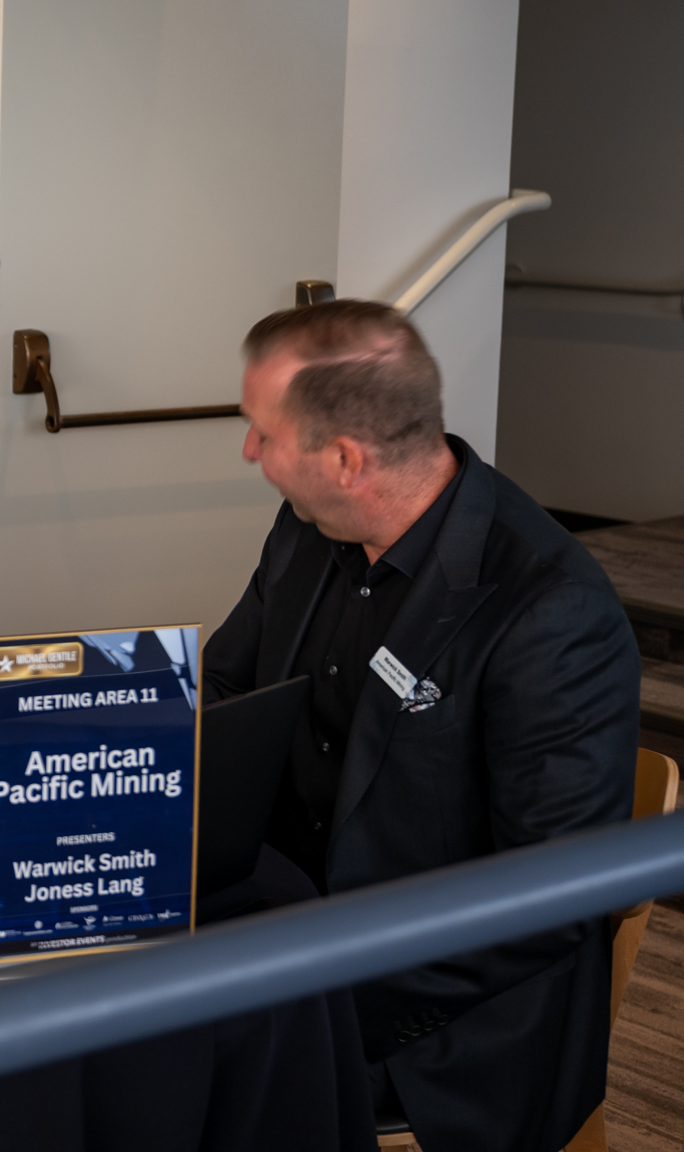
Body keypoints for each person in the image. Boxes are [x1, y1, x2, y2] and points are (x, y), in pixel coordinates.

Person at [201, 300, 639, 1152]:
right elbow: (223, 686)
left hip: (439, 1028)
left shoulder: (551, 612)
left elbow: (548, 901)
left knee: (169, 1072)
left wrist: (315, 993)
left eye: (263, 432)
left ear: (345, 458)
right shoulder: (307, 529)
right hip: (280, 932)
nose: (250, 450)